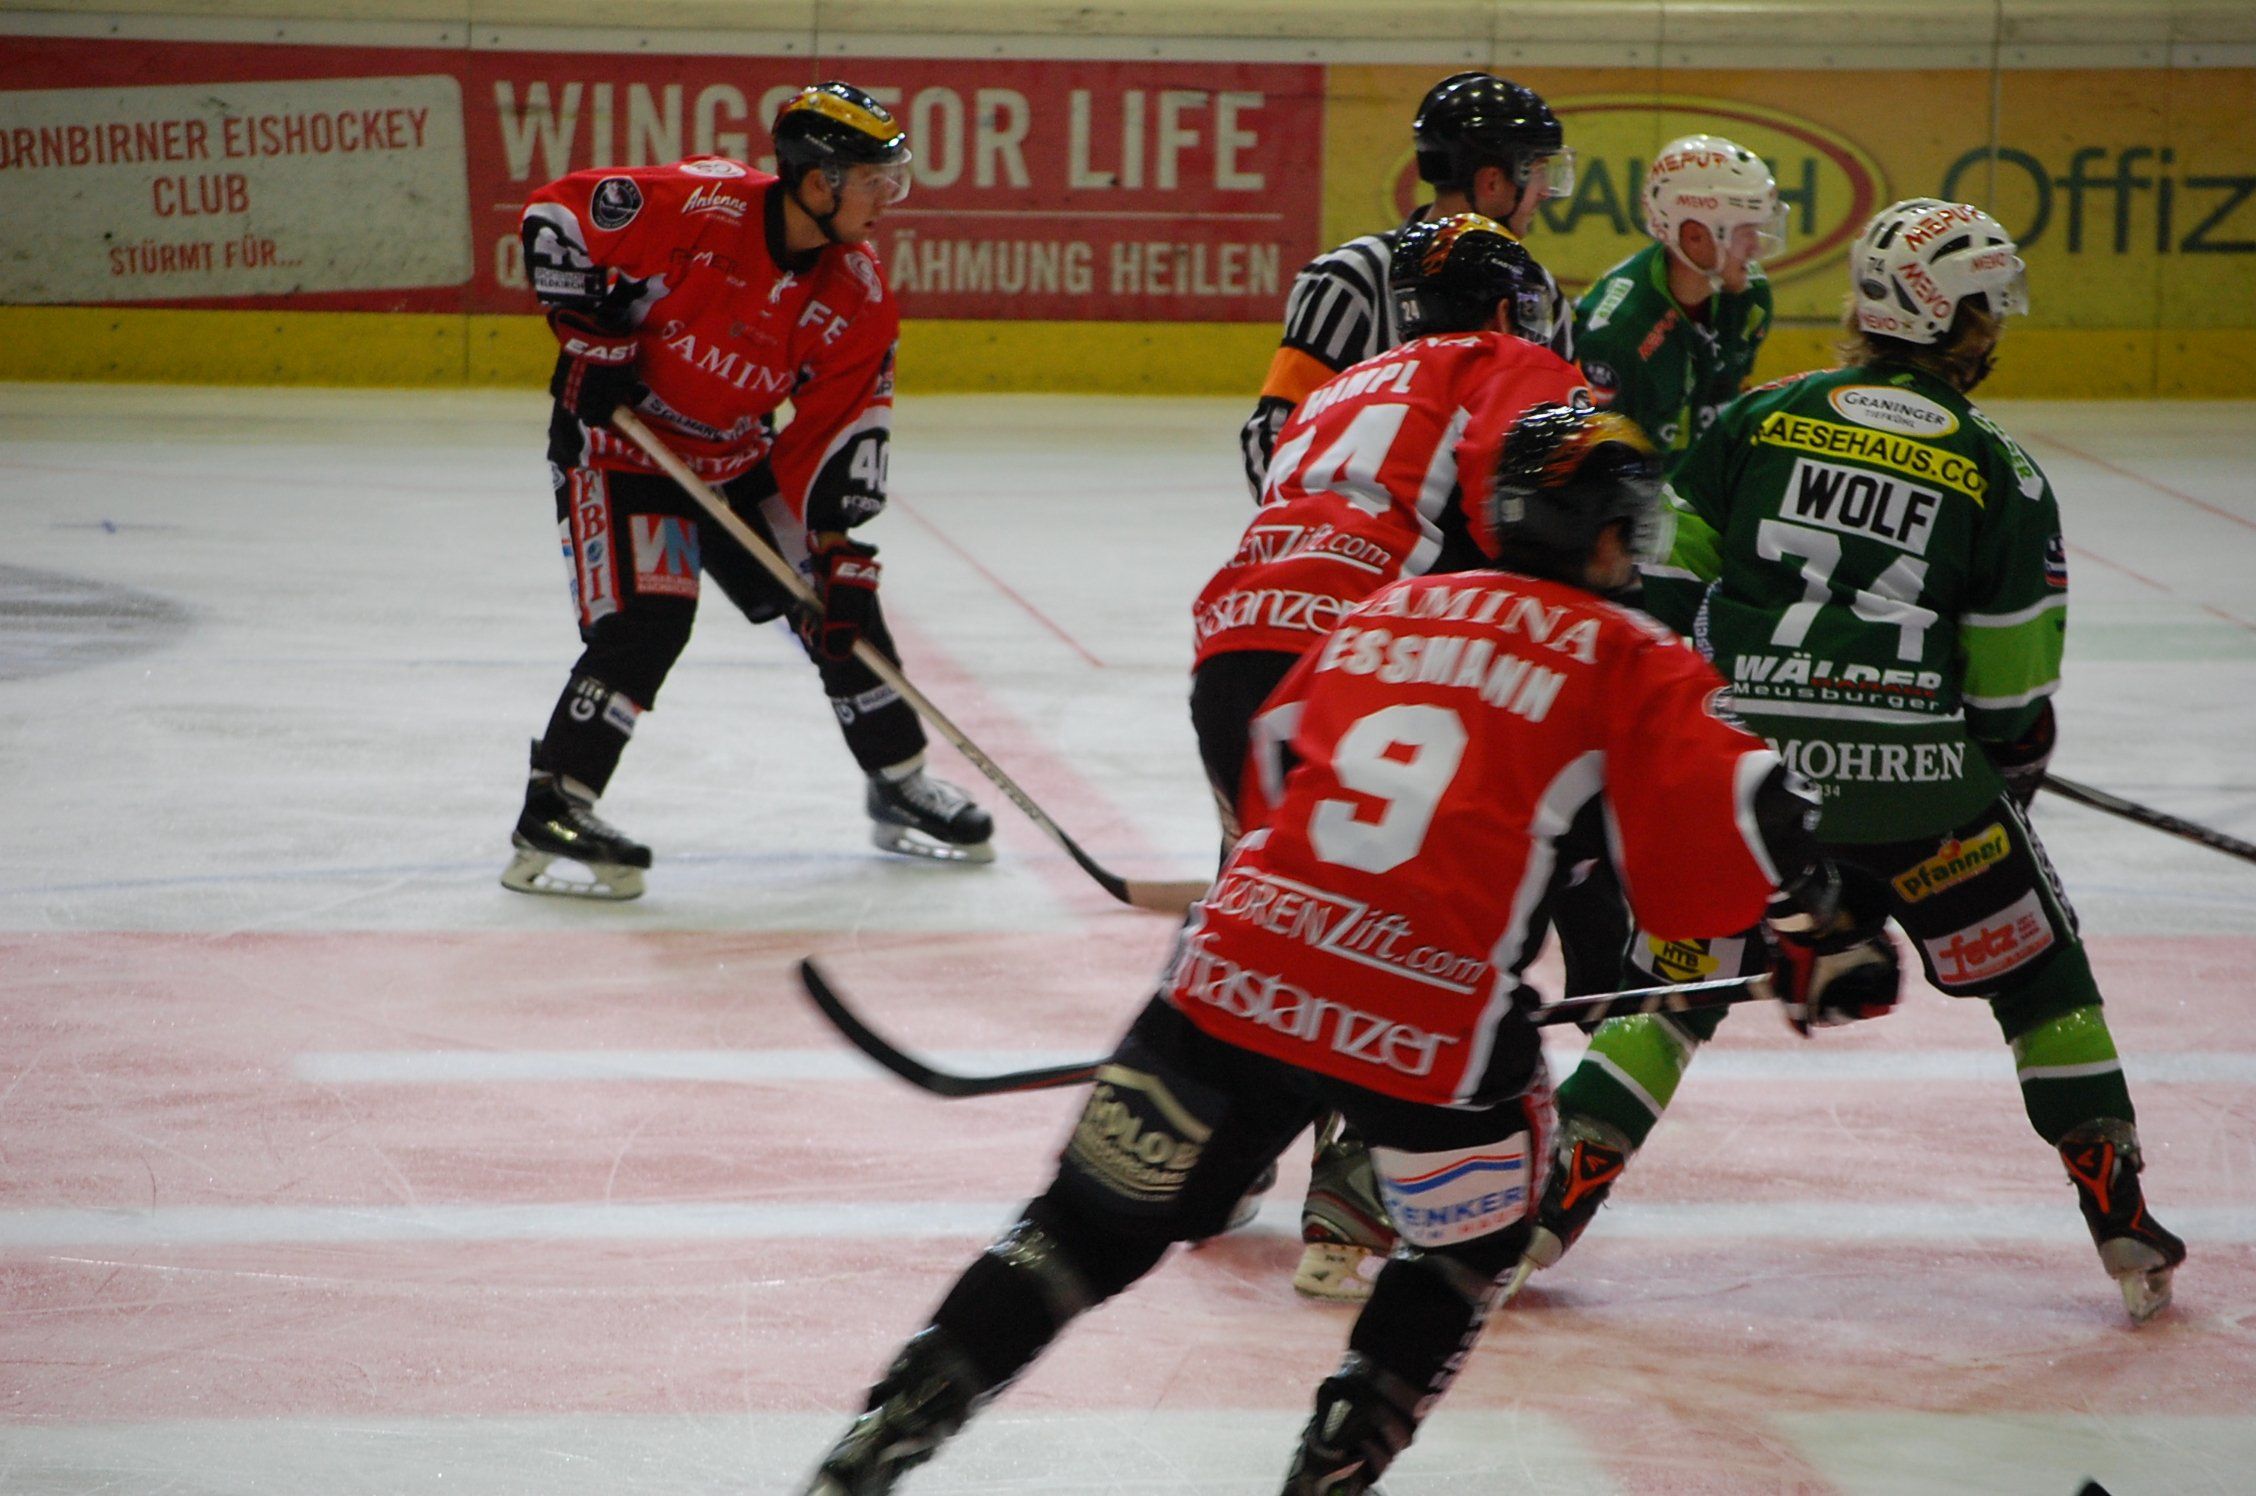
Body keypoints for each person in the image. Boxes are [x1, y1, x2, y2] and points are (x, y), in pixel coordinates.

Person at [800, 405, 1901, 1496]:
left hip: (1229, 976)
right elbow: (1750, 817)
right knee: (1466, 1250)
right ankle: (1326, 1478)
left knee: (1081, 1231)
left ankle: (872, 1449)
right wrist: (1828, 931)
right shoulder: (1630, 656)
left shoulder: (1385, 609)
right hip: (1432, 1034)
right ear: (1606, 533)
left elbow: (1272, 780)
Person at [1513, 198, 2188, 1323]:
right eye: (1985, 307)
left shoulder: (1755, 418)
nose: (1995, 327)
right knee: (2041, 982)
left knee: (1671, 990)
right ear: (1949, 318)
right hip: (1921, 794)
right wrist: (1998, 769)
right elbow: (2010, 695)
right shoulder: (2002, 472)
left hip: (1746, 785)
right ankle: (2122, 1217)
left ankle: (1551, 1207)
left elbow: (1658, 596)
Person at [1193, 212, 1593, 1298]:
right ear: (1507, 309)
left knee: (1281, 912)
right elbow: (1534, 535)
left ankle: (1209, 1152)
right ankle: (1356, 1193)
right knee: (1407, 923)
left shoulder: (1342, 387)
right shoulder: (1518, 370)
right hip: (1366, 663)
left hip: (1235, 657)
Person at [500, 82, 992, 900]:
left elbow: (841, 424)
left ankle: (900, 782)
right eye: (874, 181)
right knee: (649, 622)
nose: (889, 199)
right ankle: (554, 806)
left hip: (733, 455)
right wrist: (590, 337)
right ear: (818, 181)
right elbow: (556, 218)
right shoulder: (702, 205)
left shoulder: (857, 292)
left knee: (839, 605)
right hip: (622, 450)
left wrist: (833, 547)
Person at [1238, 71, 1577, 499]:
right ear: (1492, 182)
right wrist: (1344, 531)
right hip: (1367, 536)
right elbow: (1274, 439)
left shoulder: (1540, 290)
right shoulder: (1351, 279)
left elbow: (1570, 444)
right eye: (1538, 171)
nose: (1546, 192)